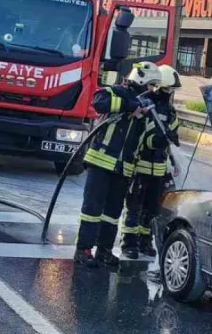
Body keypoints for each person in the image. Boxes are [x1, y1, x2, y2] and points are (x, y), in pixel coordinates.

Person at [73, 62, 161, 268]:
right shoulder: (115, 92)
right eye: (150, 85)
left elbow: (145, 138)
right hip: (100, 162)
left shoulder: (145, 106)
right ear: (140, 79)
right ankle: (83, 249)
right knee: (92, 209)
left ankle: (104, 250)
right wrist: (130, 106)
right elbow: (99, 102)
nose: (151, 90)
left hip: (124, 168)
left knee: (112, 213)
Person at [121, 65, 181, 259]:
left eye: (172, 90)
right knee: (134, 206)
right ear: (157, 86)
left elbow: (171, 137)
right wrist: (152, 141)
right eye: (167, 89)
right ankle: (129, 243)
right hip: (140, 165)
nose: (169, 93)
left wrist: (172, 144)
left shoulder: (170, 111)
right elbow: (136, 134)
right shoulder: (143, 103)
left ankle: (144, 241)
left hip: (159, 169)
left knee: (152, 209)